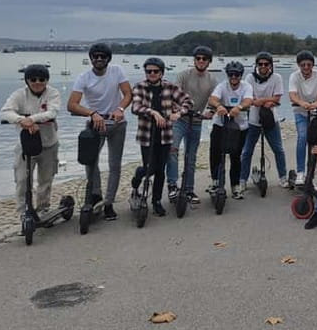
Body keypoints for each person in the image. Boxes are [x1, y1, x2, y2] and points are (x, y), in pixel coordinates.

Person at [67, 43, 132, 221]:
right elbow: (72, 105)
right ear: (91, 58)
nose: (99, 59)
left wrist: (120, 109)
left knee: (114, 164)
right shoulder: (84, 77)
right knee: (90, 162)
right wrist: (92, 113)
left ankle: (109, 203)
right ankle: (96, 195)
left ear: (108, 59)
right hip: (96, 124)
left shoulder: (117, 71)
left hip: (117, 123)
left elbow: (128, 94)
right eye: (95, 56)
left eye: (103, 56)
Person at [130, 57, 193, 217]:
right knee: (149, 168)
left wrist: (178, 113)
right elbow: (136, 107)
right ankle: (138, 177)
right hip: (147, 135)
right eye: (148, 71)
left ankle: (156, 201)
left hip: (165, 136)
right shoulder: (139, 87)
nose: (152, 73)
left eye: (155, 71)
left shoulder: (170, 87)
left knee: (160, 170)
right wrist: (153, 112)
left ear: (162, 72)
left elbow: (188, 101)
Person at [0, 65, 61, 215]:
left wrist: (31, 119)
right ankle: (23, 212)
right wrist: (22, 120)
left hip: (48, 144)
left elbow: (52, 112)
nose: (37, 82)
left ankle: (43, 208)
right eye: (33, 79)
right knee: (22, 180)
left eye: (42, 79)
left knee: (45, 180)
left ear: (47, 80)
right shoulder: (19, 94)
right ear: (27, 80)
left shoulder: (53, 93)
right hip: (26, 145)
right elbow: (5, 112)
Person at [165, 45, 218, 204]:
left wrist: (210, 112)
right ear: (194, 60)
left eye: (204, 59)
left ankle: (189, 189)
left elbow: (214, 99)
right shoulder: (183, 75)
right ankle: (172, 185)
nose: (201, 61)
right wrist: (176, 108)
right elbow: (174, 94)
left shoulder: (212, 80)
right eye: (198, 58)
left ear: (209, 62)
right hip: (180, 119)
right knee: (172, 149)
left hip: (196, 120)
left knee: (191, 156)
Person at [240, 51, 290, 189]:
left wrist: (261, 101)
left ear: (270, 66)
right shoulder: (250, 78)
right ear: (256, 65)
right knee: (246, 151)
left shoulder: (277, 78)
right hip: (253, 119)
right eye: (260, 64)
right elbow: (249, 98)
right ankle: (242, 179)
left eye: (266, 64)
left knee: (278, 149)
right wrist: (265, 101)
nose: (263, 66)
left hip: (270, 118)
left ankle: (283, 177)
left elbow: (277, 98)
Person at [208, 61, 254, 199]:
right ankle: (215, 181)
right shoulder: (222, 86)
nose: (234, 77)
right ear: (227, 75)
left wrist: (239, 108)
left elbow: (248, 101)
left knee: (236, 156)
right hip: (221, 125)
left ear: (241, 75)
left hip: (240, 126)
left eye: (237, 74)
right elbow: (212, 99)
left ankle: (235, 186)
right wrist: (219, 106)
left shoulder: (246, 86)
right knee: (215, 153)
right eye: (231, 74)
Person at [288, 50, 317, 186]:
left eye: (309, 64)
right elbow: (292, 95)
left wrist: (315, 104)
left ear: (313, 64)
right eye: (303, 65)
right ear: (299, 65)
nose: (306, 67)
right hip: (300, 111)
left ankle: (310, 175)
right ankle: (300, 172)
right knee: (302, 137)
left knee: (314, 142)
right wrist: (302, 103)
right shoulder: (294, 76)